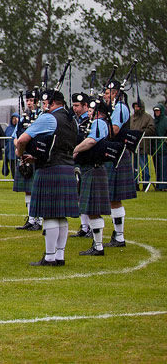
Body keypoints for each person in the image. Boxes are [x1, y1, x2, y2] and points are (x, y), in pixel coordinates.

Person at [16, 89, 79, 266]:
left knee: (50, 214)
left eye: (45, 104)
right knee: (61, 216)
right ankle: (60, 256)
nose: (43, 106)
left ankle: (50, 257)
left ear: (50, 103)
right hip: (67, 166)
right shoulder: (71, 120)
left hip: (50, 169)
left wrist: (20, 153)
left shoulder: (48, 118)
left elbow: (22, 140)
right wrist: (36, 157)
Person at [71, 99, 113, 256]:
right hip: (91, 170)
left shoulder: (99, 124)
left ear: (99, 113)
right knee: (91, 210)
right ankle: (97, 245)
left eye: (91, 111)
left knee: (94, 210)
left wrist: (75, 150)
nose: (88, 113)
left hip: (94, 169)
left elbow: (91, 141)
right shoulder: (95, 123)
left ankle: (98, 246)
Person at [104, 81, 137, 247]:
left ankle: (119, 236)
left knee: (114, 198)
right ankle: (118, 235)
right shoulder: (113, 108)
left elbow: (115, 129)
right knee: (112, 198)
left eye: (108, 92)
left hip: (117, 154)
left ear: (115, 93)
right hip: (112, 153)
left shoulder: (121, 108)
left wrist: (98, 134)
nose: (104, 95)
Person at [14, 90, 41, 231]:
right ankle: (31, 219)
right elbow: (16, 137)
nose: (30, 103)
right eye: (28, 100)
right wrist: (19, 149)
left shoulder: (42, 116)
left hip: (37, 156)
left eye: (32, 100)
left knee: (39, 189)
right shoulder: (23, 118)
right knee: (28, 190)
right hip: (24, 156)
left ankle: (40, 220)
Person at [71, 92, 93, 237]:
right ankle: (84, 227)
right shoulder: (74, 121)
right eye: (73, 105)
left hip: (88, 161)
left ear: (86, 105)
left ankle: (90, 227)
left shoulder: (90, 122)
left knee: (88, 196)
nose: (74, 108)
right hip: (77, 161)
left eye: (77, 105)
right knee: (79, 195)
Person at [131, 99, 155, 189]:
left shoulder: (148, 117)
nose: (136, 108)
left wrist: (140, 133)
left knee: (144, 165)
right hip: (133, 146)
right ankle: (135, 183)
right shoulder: (131, 118)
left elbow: (151, 129)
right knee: (134, 167)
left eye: (138, 106)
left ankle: (145, 183)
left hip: (143, 146)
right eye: (135, 106)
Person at [153, 104, 167, 191]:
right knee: (157, 168)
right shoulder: (154, 121)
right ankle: (158, 185)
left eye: (158, 111)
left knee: (164, 167)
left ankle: (164, 186)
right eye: (155, 111)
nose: (157, 112)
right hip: (155, 148)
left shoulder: (165, 120)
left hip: (164, 148)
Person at [3, 113, 19, 179]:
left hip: (18, 153)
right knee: (13, 170)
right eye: (13, 118)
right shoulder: (8, 128)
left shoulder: (19, 128)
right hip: (10, 153)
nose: (14, 120)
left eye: (16, 118)